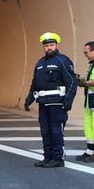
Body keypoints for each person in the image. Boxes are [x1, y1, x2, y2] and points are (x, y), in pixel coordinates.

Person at [23, 31, 77, 168]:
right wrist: (29, 99)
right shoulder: (40, 63)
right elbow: (35, 83)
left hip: (57, 104)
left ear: (57, 45)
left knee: (56, 131)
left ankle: (58, 159)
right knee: (45, 131)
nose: (49, 48)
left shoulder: (63, 61)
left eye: (52, 45)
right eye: (46, 45)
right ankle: (47, 157)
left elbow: (71, 82)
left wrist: (68, 101)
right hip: (43, 104)